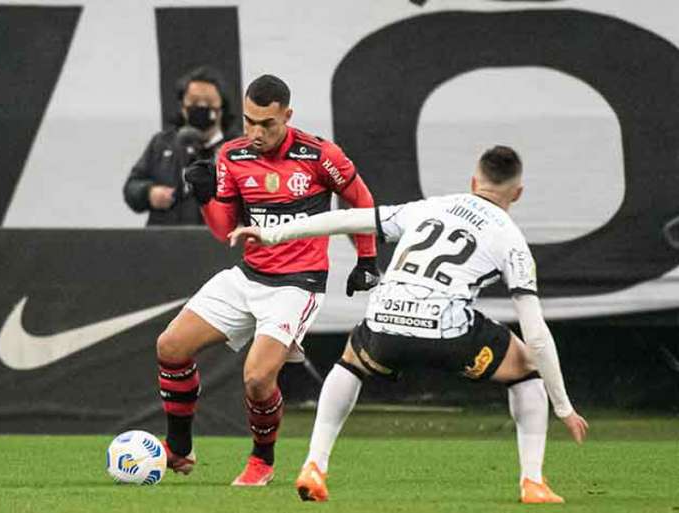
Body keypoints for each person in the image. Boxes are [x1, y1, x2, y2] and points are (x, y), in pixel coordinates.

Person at [228, 145, 589, 502]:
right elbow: (537, 334)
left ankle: (314, 465)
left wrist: (273, 234)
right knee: (526, 366)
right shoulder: (511, 239)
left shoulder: (432, 207)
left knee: (351, 359)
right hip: (448, 334)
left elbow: (348, 219)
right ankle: (533, 482)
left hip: (385, 324)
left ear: (473, 181)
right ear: (519, 193)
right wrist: (563, 407)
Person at [154, 74, 381, 486]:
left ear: (287, 116)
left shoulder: (319, 155)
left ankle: (262, 460)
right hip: (250, 274)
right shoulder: (232, 155)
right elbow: (225, 231)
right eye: (249, 121)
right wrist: (206, 196)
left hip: (298, 283)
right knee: (170, 346)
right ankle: (180, 448)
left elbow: (359, 199)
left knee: (258, 378)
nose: (256, 132)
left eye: (267, 124)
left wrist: (366, 258)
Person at [123, 66, 239, 225]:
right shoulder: (162, 144)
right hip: (167, 241)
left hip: (220, 242)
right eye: (194, 101)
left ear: (222, 107)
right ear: (183, 106)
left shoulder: (239, 149)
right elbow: (132, 187)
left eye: (209, 102)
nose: (201, 107)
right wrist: (149, 193)